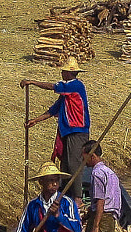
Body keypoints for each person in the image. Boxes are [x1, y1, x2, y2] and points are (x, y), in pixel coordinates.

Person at [22, 58, 91, 200]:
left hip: (77, 130)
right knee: (65, 164)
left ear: (67, 73)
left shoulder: (75, 85)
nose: (62, 74)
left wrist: (32, 82)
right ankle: (65, 195)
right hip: (67, 131)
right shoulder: (65, 95)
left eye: (63, 71)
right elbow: (53, 110)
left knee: (74, 164)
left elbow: (52, 86)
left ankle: (78, 198)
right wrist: (35, 121)